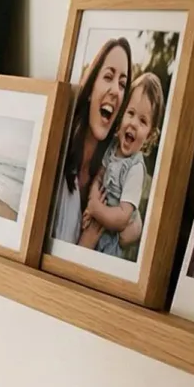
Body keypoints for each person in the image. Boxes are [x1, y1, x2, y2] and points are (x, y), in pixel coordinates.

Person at [50, 36, 132, 245]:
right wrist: (85, 244)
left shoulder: (110, 172)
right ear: (90, 90)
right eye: (108, 77)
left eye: (122, 84)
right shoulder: (57, 155)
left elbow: (133, 225)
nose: (115, 90)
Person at [80, 71, 165, 258]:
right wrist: (92, 201)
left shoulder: (135, 169)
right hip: (96, 226)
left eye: (143, 121)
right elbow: (100, 175)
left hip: (109, 245)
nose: (133, 123)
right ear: (122, 114)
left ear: (150, 136)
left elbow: (123, 218)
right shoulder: (112, 146)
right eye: (131, 113)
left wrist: (97, 209)